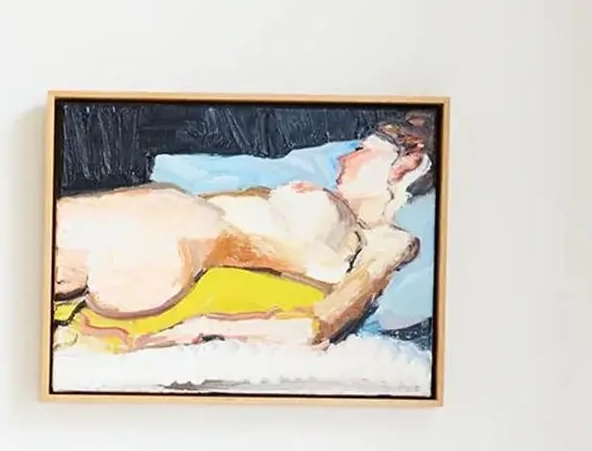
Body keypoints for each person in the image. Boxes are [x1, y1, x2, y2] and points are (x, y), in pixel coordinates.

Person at [52, 115, 435, 351]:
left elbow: (318, 326)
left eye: (362, 150)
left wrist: (203, 328)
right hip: (146, 228)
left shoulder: (387, 241)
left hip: (156, 246)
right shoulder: (342, 215)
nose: (343, 157)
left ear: (409, 163)